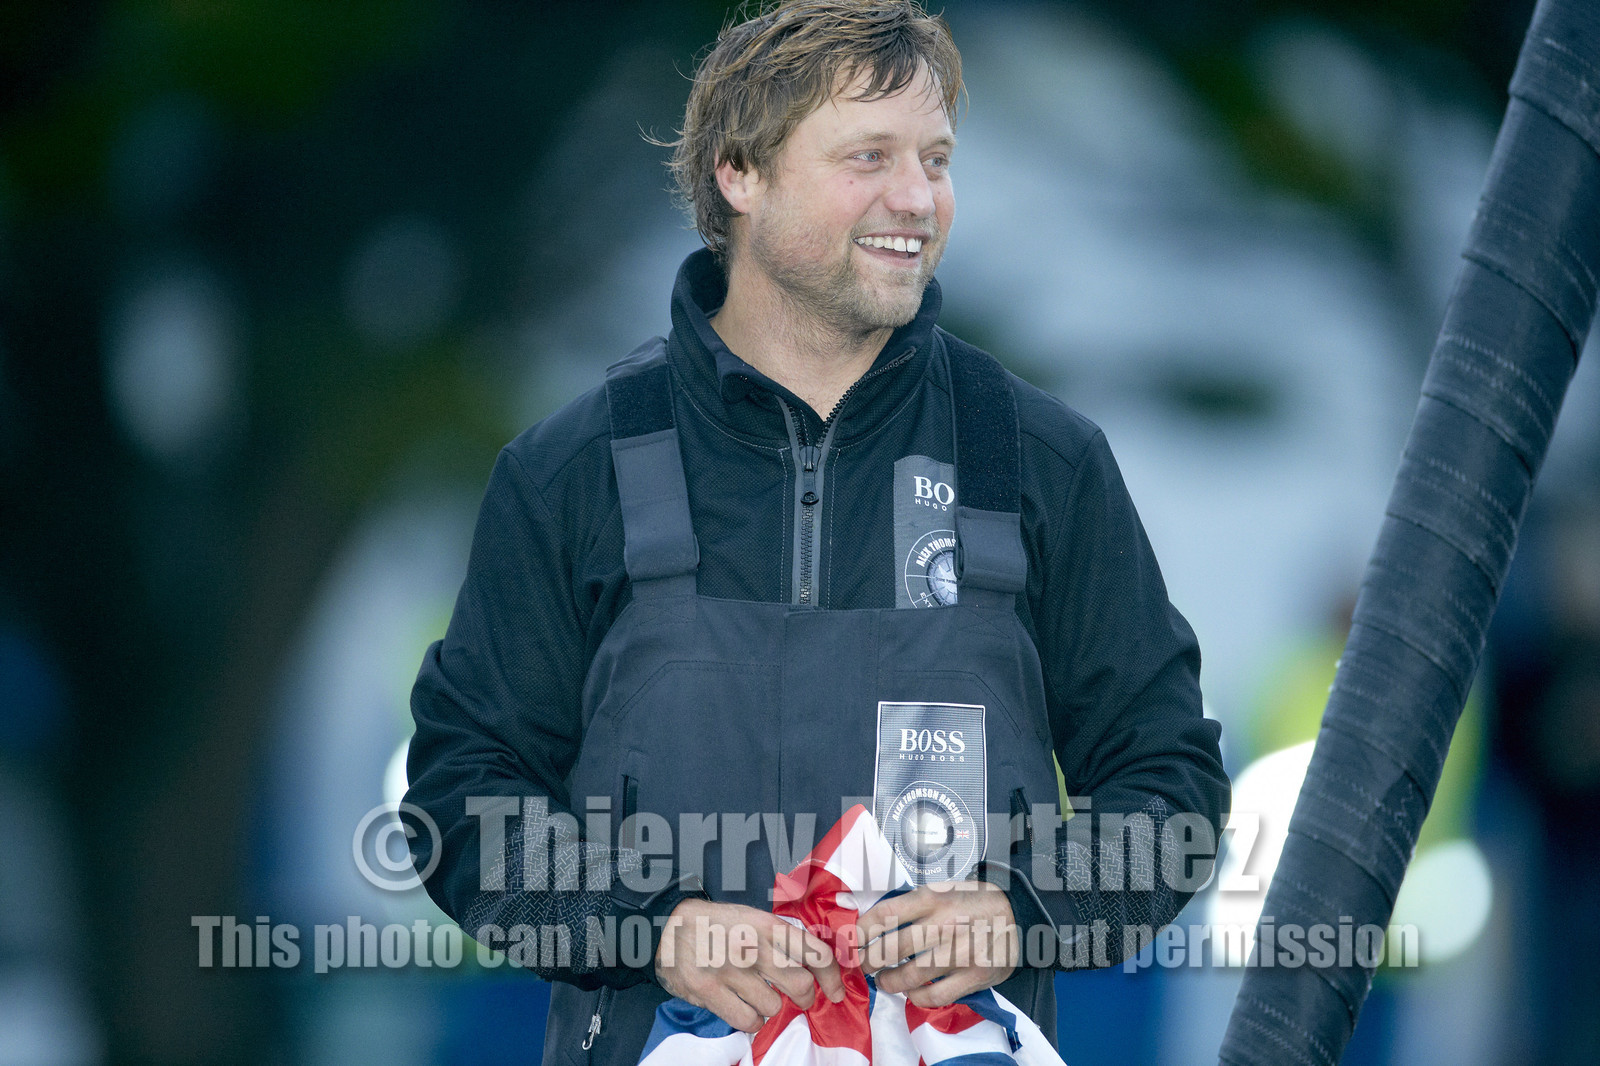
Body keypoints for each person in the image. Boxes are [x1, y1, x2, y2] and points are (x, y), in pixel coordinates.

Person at [404, 2, 1229, 1063]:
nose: (917, 199)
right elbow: (461, 795)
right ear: (738, 174)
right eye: (868, 157)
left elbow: (1170, 782)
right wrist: (652, 927)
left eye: (935, 159)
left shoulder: (1036, 461)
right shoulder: (573, 472)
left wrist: (1024, 908)